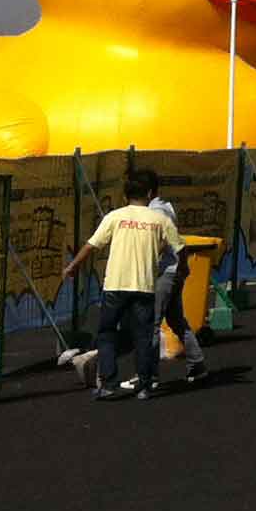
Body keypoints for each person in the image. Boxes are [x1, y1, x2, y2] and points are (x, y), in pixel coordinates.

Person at [59, 170, 182, 402]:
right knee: (143, 336)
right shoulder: (160, 219)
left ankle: (108, 383)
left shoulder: (114, 217)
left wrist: (72, 266)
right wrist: (180, 268)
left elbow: (91, 245)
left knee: (107, 333)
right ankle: (145, 385)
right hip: (144, 286)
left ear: (125, 195)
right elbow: (179, 248)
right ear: (150, 194)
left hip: (115, 285)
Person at [147, 185, 207, 386]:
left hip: (165, 272)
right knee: (176, 320)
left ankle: (148, 375)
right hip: (174, 271)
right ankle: (197, 363)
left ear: (147, 192)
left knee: (151, 323)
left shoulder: (156, 211)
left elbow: (164, 241)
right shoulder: (166, 207)